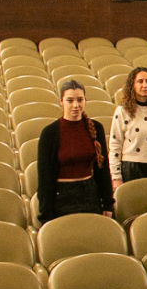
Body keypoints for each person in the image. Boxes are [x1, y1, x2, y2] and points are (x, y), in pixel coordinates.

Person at [37, 80, 114, 224]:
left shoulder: (96, 128)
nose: (75, 105)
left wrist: (107, 203)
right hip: (62, 197)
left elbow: (102, 169)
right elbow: (44, 179)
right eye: (70, 100)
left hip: (90, 195)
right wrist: (46, 215)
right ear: (61, 102)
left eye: (80, 100)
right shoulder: (49, 133)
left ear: (85, 100)